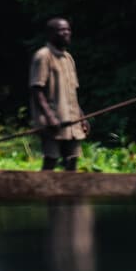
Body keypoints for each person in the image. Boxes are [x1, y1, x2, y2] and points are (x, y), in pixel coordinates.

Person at [28, 16, 85, 171]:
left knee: (72, 160)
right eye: (61, 30)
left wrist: (81, 117)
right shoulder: (43, 56)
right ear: (51, 34)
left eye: (68, 30)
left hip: (72, 120)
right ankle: (41, 192)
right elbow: (36, 89)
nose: (66, 33)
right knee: (52, 158)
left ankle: (68, 193)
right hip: (52, 121)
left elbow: (72, 93)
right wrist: (50, 117)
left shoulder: (68, 58)